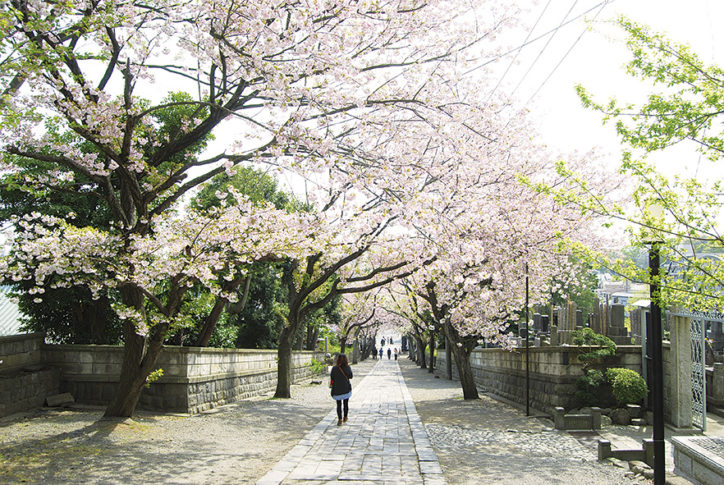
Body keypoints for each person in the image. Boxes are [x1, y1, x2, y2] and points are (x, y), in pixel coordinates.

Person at [330, 353, 353, 426]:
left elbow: (332, 377)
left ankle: (339, 420)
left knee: (338, 404)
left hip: (337, 389)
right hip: (345, 388)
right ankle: (345, 417)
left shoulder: (334, 368)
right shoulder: (347, 367)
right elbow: (351, 376)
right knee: (346, 403)